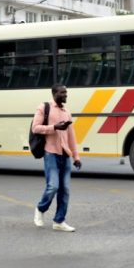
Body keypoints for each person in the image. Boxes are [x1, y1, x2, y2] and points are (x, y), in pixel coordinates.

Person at [32, 85, 82, 232]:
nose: (66, 95)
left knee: (65, 189)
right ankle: (40, 209)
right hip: (51, 153)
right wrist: (54, 127)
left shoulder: (66, 112)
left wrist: (76, 156)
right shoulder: (44, 107)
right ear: (54, 94)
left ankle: (59, 221)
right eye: (62, 93)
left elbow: (71, 136)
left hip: (65, 155)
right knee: (53, 186)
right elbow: (35, 127)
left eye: (66, 93)